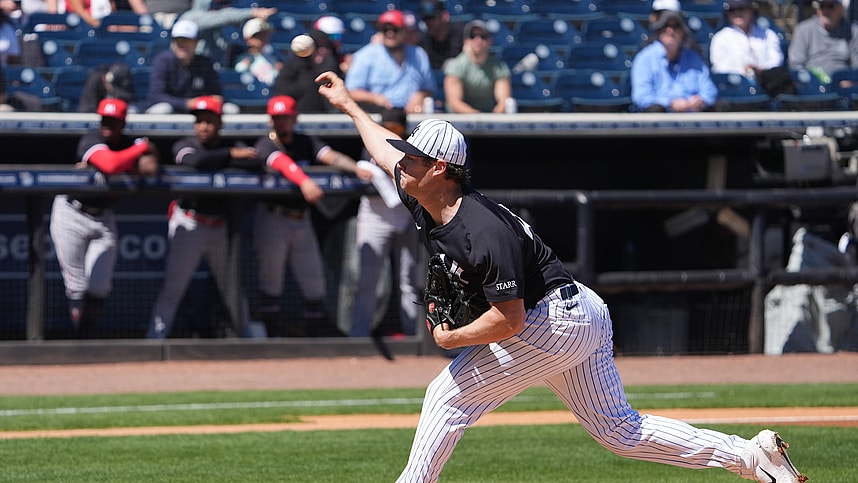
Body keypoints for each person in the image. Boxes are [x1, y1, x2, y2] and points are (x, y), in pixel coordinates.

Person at [316, 68, 809, 483]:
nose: (401, 162)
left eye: (413, 157)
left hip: (550, 323)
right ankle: (753, 458)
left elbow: (509, 321)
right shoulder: (425, 197)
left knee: (448, 396)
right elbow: (383, 151)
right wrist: (348, 105)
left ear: (441, 168)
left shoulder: (481, 231)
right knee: (619, 431)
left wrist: (455, 337)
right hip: (578, 311)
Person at [250, 95, 371, 337]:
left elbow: (331, 156)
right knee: (271, 283)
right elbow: (282, 163)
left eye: (285, 118)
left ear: (294, 118)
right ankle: (271, 342)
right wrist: (304, 181)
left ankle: (314, 342)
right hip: (274, 219)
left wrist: (355, 167)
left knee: (314, 282)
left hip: (301, 221)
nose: (281, 122)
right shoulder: (264, 144)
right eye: (276, 118)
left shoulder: (305, 140)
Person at [146, 95, 256, 339]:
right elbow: (195, 161)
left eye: (209, 121)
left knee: (233, 289)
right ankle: (153, 343)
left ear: (220, 123)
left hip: (219, 227)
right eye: (199, 121)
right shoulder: (186, 143)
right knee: (173, 290)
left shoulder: (232, 144)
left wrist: (232, 155)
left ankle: (249, 341)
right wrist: (230, 155)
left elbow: (255, 161)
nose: (203, 127)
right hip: (190, 223)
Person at [50, 98, 160, 338]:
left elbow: (150, 168)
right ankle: (79, 341)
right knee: (77, 286)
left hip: (104, 216)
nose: (108, 125)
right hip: (72, 212)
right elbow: (110, 165)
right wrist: (138, 152)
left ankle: (87, 336)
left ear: (122, 122)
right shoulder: (92, 138)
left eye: (113, 121)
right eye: (105, 120)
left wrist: (131, 158)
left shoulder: (127, 143)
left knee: (100, 285)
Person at [346, 107, 425, 338]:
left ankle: (413, 336)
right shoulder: (372, 144)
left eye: (396, 128)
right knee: (367, 281)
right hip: (375, 217)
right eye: (387, 127)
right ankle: (358, 336)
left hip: (406, 217)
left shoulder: (412, 149)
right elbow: (365, 169)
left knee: (410, 280)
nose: (391, 132)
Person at [344, 9, 436, 114]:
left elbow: (429, 88)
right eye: (385, 30)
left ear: (404, 31)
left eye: (395, 29)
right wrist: (374, 98)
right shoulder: (366, 55)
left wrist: (420, 95)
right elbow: (351, 91)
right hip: (378, 116)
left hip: (411, 116)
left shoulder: (418, 54)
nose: (390, 34)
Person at [630, 10, 718, 112]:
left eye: (675, 26)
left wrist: (701, 100)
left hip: (692, 120)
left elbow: (710, 90)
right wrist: (670, 103)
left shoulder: (694, 58)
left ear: (683, 32)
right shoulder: (645, 58)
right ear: (659, 31)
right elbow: (641, 96)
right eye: (665, 26)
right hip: (658, 122)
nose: (670, 31)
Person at [145, 19, 239, 114]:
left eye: (187, 41)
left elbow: (215, 91)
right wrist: (186, 103)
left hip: (199, 109)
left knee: (230, 109)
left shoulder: (205, 63)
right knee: (163, 109)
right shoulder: (163, 61)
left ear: (196, 42)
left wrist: (214, 99)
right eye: (178, 40)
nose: (182, 44)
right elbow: (156, 96)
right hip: (172, 107)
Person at [443, 19, 512, 113]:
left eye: (482, 36)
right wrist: (478, 118)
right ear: (466, 41)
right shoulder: (455, 66)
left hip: (490, 118)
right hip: (460, 120)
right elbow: (454, 103)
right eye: (473, 36)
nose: (478, 40)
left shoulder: (499, 67)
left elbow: (504, 101)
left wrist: (492, 119)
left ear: (489, 41)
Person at [176, 0, 276, 65]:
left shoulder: (222, 25)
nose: (222, 8)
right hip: (193, 66)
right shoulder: (189, 17)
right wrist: (252, 12)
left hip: (215, 69)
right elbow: (222, 17)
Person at [709, 0, 785, 82]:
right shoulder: (720, 37)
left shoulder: (768, 34)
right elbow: (720, 67)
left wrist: (761, 70)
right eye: (732, 10)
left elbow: (776, 60)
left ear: (751, 11)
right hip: (737, 85)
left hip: (767, 81)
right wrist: (744, 71)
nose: (737, 13)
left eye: (741, 9)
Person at [788, 0, 858, 86]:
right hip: (811, 88)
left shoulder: (853, 31)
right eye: (821, 6)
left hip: (842, 89)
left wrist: (850, 81)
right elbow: (796, 65)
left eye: (830, 6)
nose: (825, 11)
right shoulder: (803, 30)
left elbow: (856, 65)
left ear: (841, 8)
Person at [273, 28, 341, 113]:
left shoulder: (333, 67)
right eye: (318, 46)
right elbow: (282, 92)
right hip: (298, 118)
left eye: (326, 46)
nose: (322, 50)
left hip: (326, 119)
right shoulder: (292, 66)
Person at [233, 17, 281, 86]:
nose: (264, 38)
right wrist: (243, 66)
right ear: (248, 39)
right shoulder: (244, 58)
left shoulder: (271, 58)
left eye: (266, 35)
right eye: (259, 35)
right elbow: (238, 73)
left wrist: (278, 70)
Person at [418, 0, 464, 70]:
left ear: (445, 16)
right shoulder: (423, 41)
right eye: (425, 19)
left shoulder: (462, 35)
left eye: (432, 18)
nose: (428, 23)